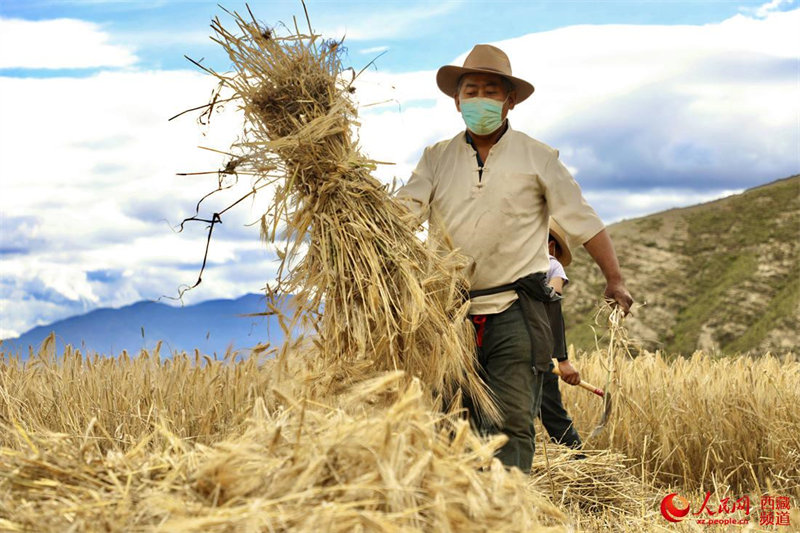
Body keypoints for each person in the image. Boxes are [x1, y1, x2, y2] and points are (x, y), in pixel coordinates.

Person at [396, 43, 632, 472]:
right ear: (456, 100)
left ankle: (510, 511)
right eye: (471, 90)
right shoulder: (435, 158)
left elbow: (581, 218)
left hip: (515, 310)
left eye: (491, 90)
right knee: (448, 423)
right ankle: (458, 510)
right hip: (448, 313)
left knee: (512, 422)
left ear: (509, 100)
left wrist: (614, 278)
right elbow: (401, 213)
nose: (479, 99)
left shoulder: (537, 157)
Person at [540, 218, 582, 449]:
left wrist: (562, 359)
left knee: (553, 416)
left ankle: (580, 465)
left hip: (535, 351)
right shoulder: (551, 266)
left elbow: (552, 300)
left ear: (552, 245)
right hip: (521, 349)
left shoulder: (552, 265)